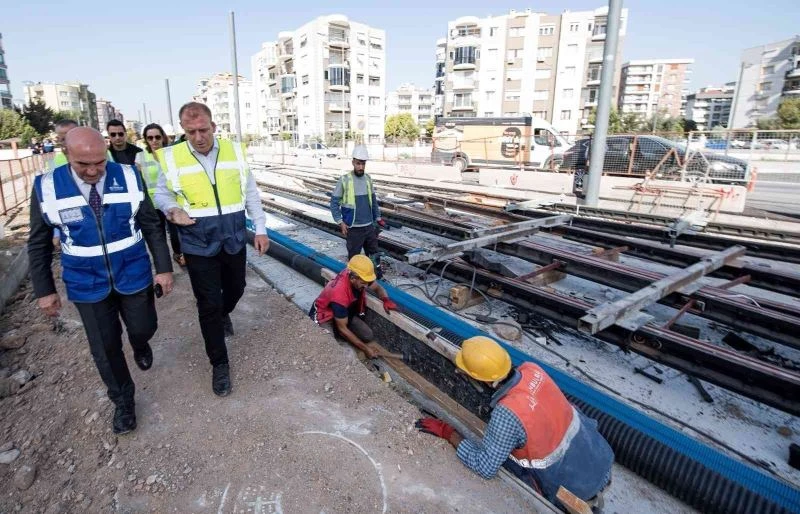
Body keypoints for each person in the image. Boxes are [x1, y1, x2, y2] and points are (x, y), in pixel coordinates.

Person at [27, 127, 174, 435]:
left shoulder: (130, 176)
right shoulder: (46, 187)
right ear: (66, 155)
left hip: (132, 272)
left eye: (99, 162)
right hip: (85, 282)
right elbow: (38, 242)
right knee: (104, 347)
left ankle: (139, 342)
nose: (93, 171)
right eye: (84, 165)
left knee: (144, 326)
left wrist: (163, 267)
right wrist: (45, 291)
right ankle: (123, 401)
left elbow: (149, 223)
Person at [415, 336, 614, 511]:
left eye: (466, 374)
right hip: (598, 457)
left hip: (574, 488)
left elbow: (485, 467)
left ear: (482, 380)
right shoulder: (532, 370)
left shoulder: (507, 414)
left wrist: (449, 433)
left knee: (503, 460)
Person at [153, 101, 269, 397]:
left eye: (203, 129)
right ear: (183, 130)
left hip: (232, 238)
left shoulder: (234, 152)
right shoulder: (172, 158)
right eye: (191, 131)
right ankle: (219, 364)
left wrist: (261, 229)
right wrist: (172, 211)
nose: (198, 136)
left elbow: (251, 193)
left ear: (214, 127)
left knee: (237, 288)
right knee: (207, 303)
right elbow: (161, 195)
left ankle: (223, 313)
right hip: (197, 241)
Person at [309, 255, 397, 359]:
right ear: (352, 278)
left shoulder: (359, 277)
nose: (366, 286)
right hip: (324, 316)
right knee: (329, 345)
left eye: (367, 282)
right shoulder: (339, 294)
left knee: (367, 335)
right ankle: (335, 335)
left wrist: (385, 299)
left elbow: (378, 287)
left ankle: (340, 333)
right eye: (363, 283)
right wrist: (366, 349)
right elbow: (343, 329)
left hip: (343, 315)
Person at [135, 123, 185, 266]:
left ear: (162, 137)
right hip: (151, 204)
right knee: (159, 236)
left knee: (176, 232)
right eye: (150, 138)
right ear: (146, 139)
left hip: (171, 201)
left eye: (157, 137)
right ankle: (164, 265)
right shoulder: (140, 157)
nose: (154, 140)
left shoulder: (171, 155)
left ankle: (178, 255)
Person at [330, 145, 386, 260]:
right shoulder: (344, 180)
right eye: (358, 164)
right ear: (353, 163)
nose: (361, 167)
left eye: (363, 164)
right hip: (353, 228)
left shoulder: (368, 179)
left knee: (374, 257)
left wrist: (378, 217)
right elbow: (334, 203)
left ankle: (377, 277)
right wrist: (340, 222)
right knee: (355, 260)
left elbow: (373, 200)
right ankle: (354, 278)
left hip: (369, 227)